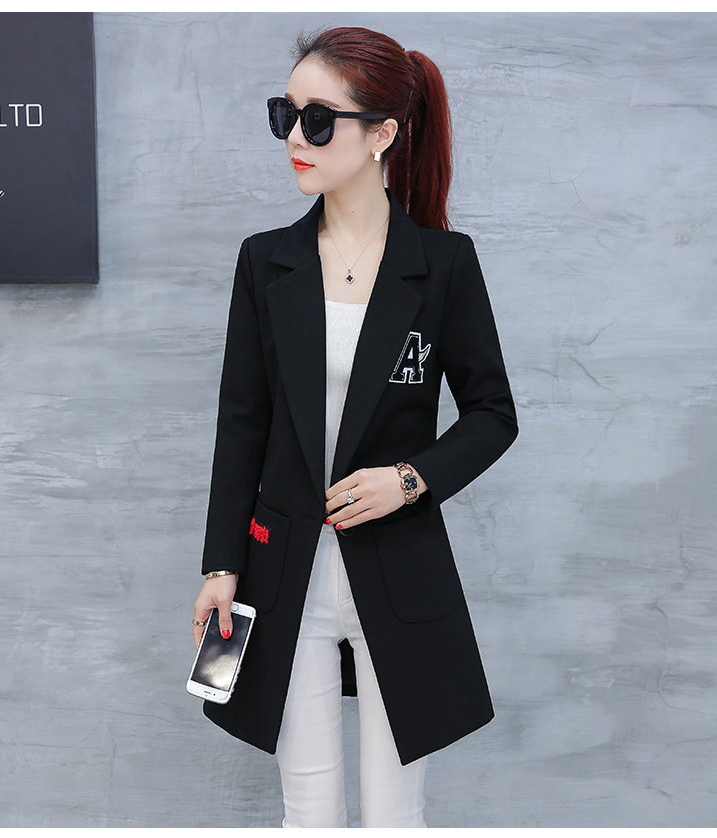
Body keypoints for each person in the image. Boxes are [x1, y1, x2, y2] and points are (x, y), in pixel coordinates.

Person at [192, 26, 518, 828]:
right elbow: (242, 424)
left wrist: (408, 480)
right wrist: (220, 566)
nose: (294, 140)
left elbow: (492, 414)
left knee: (394, 815)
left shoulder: (443, 265)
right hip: (282, 576)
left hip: (400, 570)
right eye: (285, 115)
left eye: (317, 120)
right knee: (307, 813)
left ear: (382, 134)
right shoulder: (265, 262)